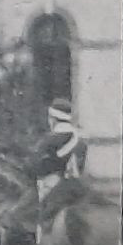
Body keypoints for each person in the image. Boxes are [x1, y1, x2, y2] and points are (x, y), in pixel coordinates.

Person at [28, 97, 87, 236]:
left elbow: (35, 166)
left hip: (53, 185)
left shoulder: (49, 140)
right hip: (78, 185)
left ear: (52, 119)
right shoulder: (80, 139)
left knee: (36, 217)